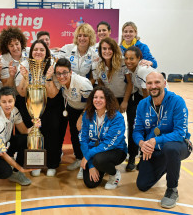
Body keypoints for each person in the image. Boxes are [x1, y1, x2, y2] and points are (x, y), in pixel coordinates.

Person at [133, 72, 192, 209]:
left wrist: (155, 140)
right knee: (142, 185)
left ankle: (172, 189)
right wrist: (142, 144)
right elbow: (137, 131)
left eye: (157, 82)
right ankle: (169, 163)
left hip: (179, 146)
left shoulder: (177, 101)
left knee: (170, 149)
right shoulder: (142, 104)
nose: (153, 86)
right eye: (149, 83)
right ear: (146, 86)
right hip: (154, 149)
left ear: (164, 83)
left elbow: (180, 133)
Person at [17, 39, 65, 177]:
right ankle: (36, 163)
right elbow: (21, 92)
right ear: (31, 52)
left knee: (52, 134)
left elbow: (53, 94)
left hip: (50, 106)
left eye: (42, 50)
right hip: (31, 106)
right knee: (34, 134)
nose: (38, 52)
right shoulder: (26, 65)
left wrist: (49, 78)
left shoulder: (53, 66)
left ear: (47, 52)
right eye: (35, 49)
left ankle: (52, 164)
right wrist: (25, 77)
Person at [95, 37, 140, 172]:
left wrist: (125, 101)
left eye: (110, 48)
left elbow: (130, 84)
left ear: (114, 50)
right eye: (104, 48)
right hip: (111, 98)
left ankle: (132, 157)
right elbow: (101, 85)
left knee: (132, 126)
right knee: (110, 127)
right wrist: (111, 102)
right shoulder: (99, 65)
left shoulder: (122, 63)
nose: (107, 51)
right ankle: (113, 153)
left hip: (129, 97)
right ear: (100, 50)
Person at [47, 58, 93, 179]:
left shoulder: (82, 83)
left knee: (84, 136)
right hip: (72, 107)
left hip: (87, 109)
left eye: (64, 73)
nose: (61, 76)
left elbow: (92, 102)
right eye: (58, 73)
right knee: (74, 134)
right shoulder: (57, 80)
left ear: (71, 72)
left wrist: (82, 116)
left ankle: (87, 164)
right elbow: (52, 93)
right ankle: (79, 158)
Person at [79, 86, 127, 189]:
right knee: (90, 183)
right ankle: (99, 166)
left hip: (116, 150)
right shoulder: (88, 114)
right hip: (95, 151)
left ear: (108, 100)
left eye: (102, 97)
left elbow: (110, 143)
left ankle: (114, 174)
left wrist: (87, 156)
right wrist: (91, 165)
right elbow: (83, 139)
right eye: (95, 97)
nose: (98, 100)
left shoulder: (117, 117)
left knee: (99, 159)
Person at [0, 86, 40, 186]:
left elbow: (24, 131)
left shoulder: (14, 110)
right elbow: (1, 152)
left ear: (14, 100)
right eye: (4, 102)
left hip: (7, 144)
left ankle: (16, 174)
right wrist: (20, 168)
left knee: (27, 139)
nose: (8, 105)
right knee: (6, 171)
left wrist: (35, 126)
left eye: (10, 101)